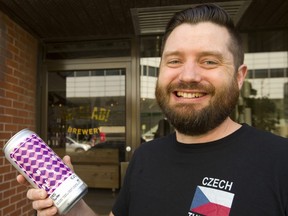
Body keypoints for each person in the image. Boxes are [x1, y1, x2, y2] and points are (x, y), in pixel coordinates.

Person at [17, 3, 288, 216]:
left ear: (239, 77)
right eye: (174, 60)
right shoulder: (146, 157)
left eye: (208, 61)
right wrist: (70, 208)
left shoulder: (280, 162)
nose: (189, 75)